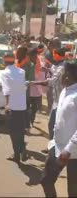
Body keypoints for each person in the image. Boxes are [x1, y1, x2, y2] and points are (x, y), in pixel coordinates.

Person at [40, 59, 77, 197]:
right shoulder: (65, 91)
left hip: (73, 152)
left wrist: (68, 149)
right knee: (46, 180)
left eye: (63, 72)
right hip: (57, 146)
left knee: (73, 191)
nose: (61, 75)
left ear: (69, 74)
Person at [30, 40, 65, 141]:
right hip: (56, 100)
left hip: (60, 102)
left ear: (58, 56)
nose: (53, 56)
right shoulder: (58, 65)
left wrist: (34, 83)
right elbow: (52, 69)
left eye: (54, 55)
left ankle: (53, 147)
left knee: (54, 125)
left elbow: (51, 81)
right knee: (52, 124)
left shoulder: (62, 67)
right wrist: (46, 69)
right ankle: (52, 145)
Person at [1, 52, 28, 164]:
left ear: (4, 61)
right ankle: (22, 150)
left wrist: (7, 104)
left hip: (12, 106)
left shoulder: (4, 73)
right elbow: (23, 86)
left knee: (13, 132)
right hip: (22, 106)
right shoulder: (22, 72)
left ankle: (17, 154)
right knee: (20, 130)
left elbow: (6, 89)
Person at [27, 48, 43, 126]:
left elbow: (40, 75)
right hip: (28, 89)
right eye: (32, 55)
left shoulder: (39, 62)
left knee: (34, 107)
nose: (33, 57)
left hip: (36, 89)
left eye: (34, 55)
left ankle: (31, 121)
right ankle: (27, 121)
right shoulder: (26, 62)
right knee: (27, 107)